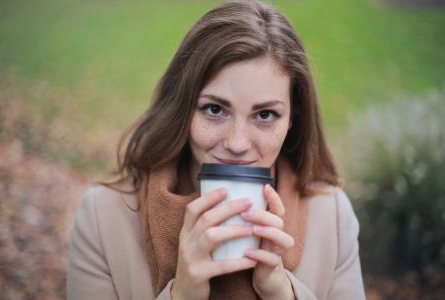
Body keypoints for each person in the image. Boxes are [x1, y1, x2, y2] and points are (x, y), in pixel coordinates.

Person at [66, 0, 366, 299]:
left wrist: (282, 293)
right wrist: (181, 295)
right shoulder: (103, 216)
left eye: (265, 115)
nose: (237, 143)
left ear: (292, 119)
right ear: (182, 107)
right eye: (214, 109)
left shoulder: (332, 216)